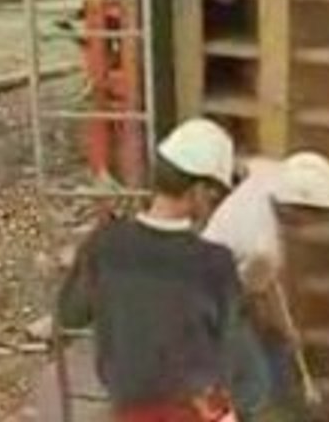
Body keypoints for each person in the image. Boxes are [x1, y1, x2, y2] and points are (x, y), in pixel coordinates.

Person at [57, 118, 242, 422]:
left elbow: (69, 314)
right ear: (198, 190)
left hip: (127, 408)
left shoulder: (105, 245)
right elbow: (230, 352)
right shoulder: (214, 263)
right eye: (214, 194)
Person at [202, 152, 329, 419]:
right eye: (316, 213)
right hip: (209, 301)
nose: (317, 221)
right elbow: (255, 296)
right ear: (295, 210)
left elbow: (242, 163)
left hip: (227, 272)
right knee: (254, 383)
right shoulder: (264, 246)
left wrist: (282, 332)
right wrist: (285, 329)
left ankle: (289, 405)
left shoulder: (271, 175)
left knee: (277, 348)